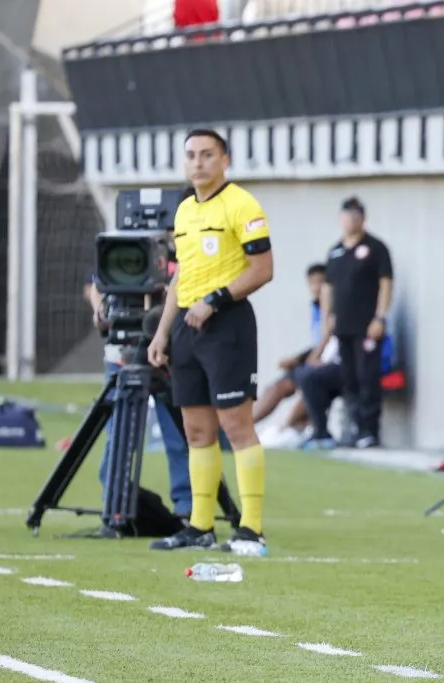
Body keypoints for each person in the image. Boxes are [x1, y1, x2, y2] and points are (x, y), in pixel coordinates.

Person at [146, 128, 273, 554]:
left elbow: (262, 268)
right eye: (191, 155)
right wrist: (163, 331)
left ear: (225, 160)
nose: (198, 162)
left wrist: (215, 301)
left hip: (227, 326)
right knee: (196, 431)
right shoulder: (183, 211)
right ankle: (200, 526)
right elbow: (180, 277)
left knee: (236, 427)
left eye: (207, 155)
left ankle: (251, 530)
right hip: (187, 327)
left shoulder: (243, 204)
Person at [83, 275, 192, 520]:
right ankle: (114, 505)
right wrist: (100, 310)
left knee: (179, 435)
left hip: (168, 353)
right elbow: (97, 284)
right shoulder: (119, 241)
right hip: (119, 354)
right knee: (118, 435)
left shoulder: (181, 245)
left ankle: (187, 508)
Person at [317, 197, 393, 449]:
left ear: (363, 218)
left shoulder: (376, 248)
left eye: (355, 216)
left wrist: (380, 316)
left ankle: (369, 430)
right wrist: (327, 317)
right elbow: (328, 287)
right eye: (347, 215)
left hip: (367, 326)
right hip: (343, 327)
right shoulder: (336, 250)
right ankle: (352, 426)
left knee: (367, 375)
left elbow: (386, 282)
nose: (351, 221)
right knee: (348, 377)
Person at [254, 263, 328, 447]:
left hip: (333, 365)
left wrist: (301, 360)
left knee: (308, 381)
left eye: (321, 282)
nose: (316, 288)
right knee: (281, 385)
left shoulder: (337, 310)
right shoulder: (316, 308)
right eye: (312, 283)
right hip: (316, 361)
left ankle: (284, 429)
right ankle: (244, 427)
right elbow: (317, 343)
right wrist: (298, 359)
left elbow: (333, 343)